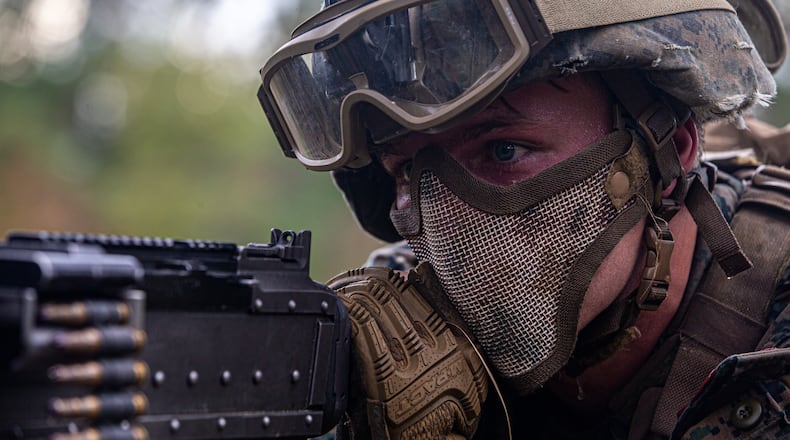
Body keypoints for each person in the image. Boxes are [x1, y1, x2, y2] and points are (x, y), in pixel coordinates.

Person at [258, 0, 790, 438]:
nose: (450, 219)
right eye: (405, 174)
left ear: (669, 150)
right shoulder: (390, 337)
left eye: (505, 150)